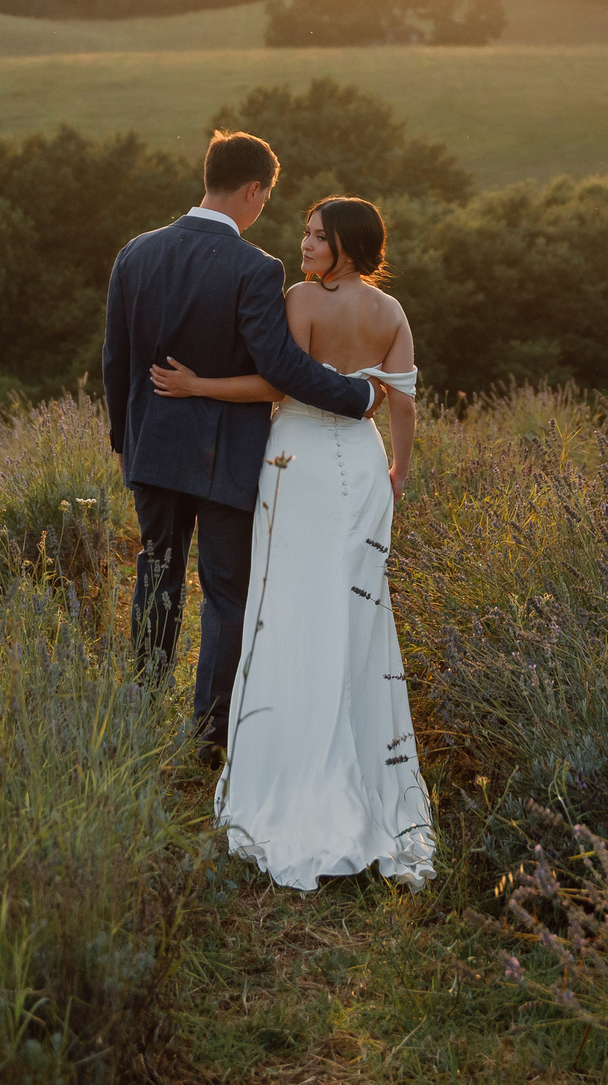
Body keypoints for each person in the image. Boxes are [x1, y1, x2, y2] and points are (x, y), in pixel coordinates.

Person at [146, 195, 435, 892]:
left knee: (291, 612)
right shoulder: (391, 314)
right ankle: (368, 780)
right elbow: (403, 400)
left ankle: (293, 768)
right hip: (363, 465)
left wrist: (197, 385)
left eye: (317, 236)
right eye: (305, 233)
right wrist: (398, 469)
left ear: (347, 245)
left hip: (299, 461)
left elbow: (276, 383)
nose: (304, 245)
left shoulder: (302, 300)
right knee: (357, 614)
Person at [101, 131, 382, 765]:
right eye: (268, 196)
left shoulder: (135, 254)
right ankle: (210, 739)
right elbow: (280, 364)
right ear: (252, 190)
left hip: (152, 449)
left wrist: (125, 438)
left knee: (157, 574)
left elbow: (115, 358)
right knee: (226, 593)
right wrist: (356, 397)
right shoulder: (256, 268)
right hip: (225, 456)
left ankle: (142, 715)